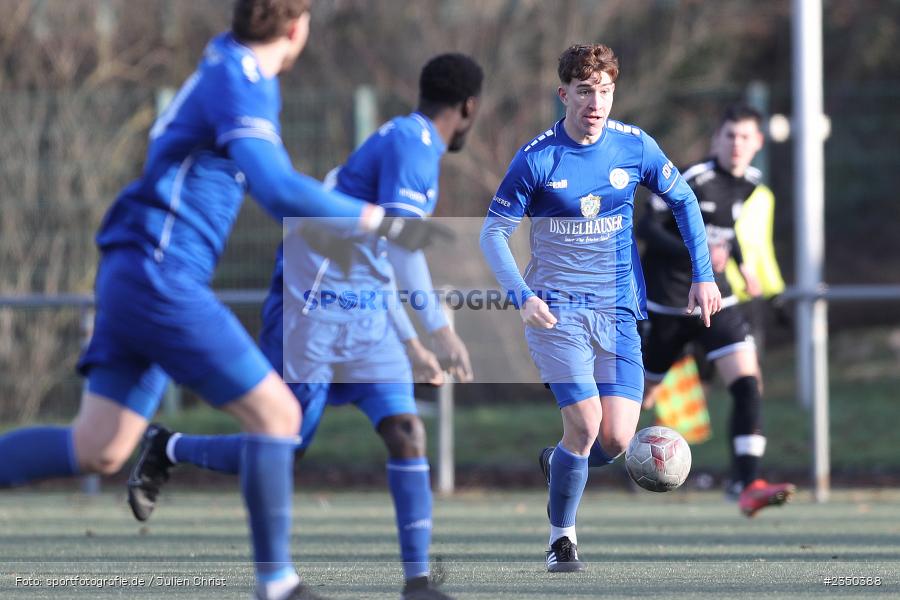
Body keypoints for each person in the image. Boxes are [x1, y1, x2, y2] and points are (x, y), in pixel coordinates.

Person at [0, 2, 447, 600]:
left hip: (135, 271)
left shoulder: (228, 64)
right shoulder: (242, 77)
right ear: (297, 26)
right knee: (278, 417)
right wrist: (376, 220)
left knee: (99, 448)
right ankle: (278, 585)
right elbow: (278, 188)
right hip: (162, 275)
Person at [126, 53, 483, 600]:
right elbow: (402, 249)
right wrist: (439, 329)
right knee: (285, 445)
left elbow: (379, 256)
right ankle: (168, 447)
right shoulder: (414, 148)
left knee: (406, 431)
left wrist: (409, 341)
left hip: (364, 309)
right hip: (312, 304)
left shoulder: (407, 142)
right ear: (469, 107)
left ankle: (417, 584)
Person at [480, 43, 721, 572]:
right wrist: (522, 295)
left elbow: (683, 200)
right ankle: (561, 539)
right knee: (587, 424)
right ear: (563, 93)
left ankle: (560, 460)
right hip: (557, 312)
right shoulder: (538, 158)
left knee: (613, 439)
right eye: (585, 91)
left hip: (618, 311)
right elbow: (493, 233)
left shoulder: (634, 146)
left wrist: (703, 275)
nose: (596, 102)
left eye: (605, 91)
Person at [637, 104, 795, 517]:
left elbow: (725, 232)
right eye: (729, 136)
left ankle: (747, 483)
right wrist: (696, 252)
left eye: (745, 137)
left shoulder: (752, 185)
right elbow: (646, 228)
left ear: (758, 142)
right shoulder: (691, 178)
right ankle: (578, 455)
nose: (736, 144)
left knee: (747, 382)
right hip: (669, 304)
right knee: (639, 399)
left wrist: (743, 265)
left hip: (717, 300)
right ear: (716, 140)